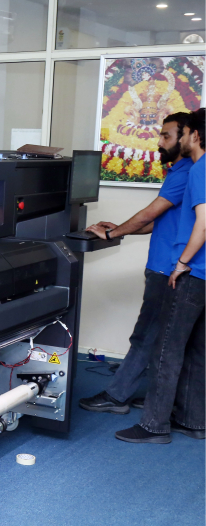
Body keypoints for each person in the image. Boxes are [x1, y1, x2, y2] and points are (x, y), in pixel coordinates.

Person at [79, 112, 192, 414]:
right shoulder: (183, 171)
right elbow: (157, 222)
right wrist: (119, 229)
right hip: (167, 266)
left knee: (146, 334)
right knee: (162, 337)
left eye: (166, 136)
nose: (159, 142)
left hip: (167, 269)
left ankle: (117, 397)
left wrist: (113, 233)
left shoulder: (185, 173)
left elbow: (148, 214)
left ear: (186, 137)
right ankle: (163, 398)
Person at [116, 107, 205, 443]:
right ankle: (193, 421)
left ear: (194, 135)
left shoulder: (199, 168)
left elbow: (203, 223)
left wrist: (182, 262)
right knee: (197, 350)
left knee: (167, 349)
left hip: (191, 272)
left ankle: (154, 426)